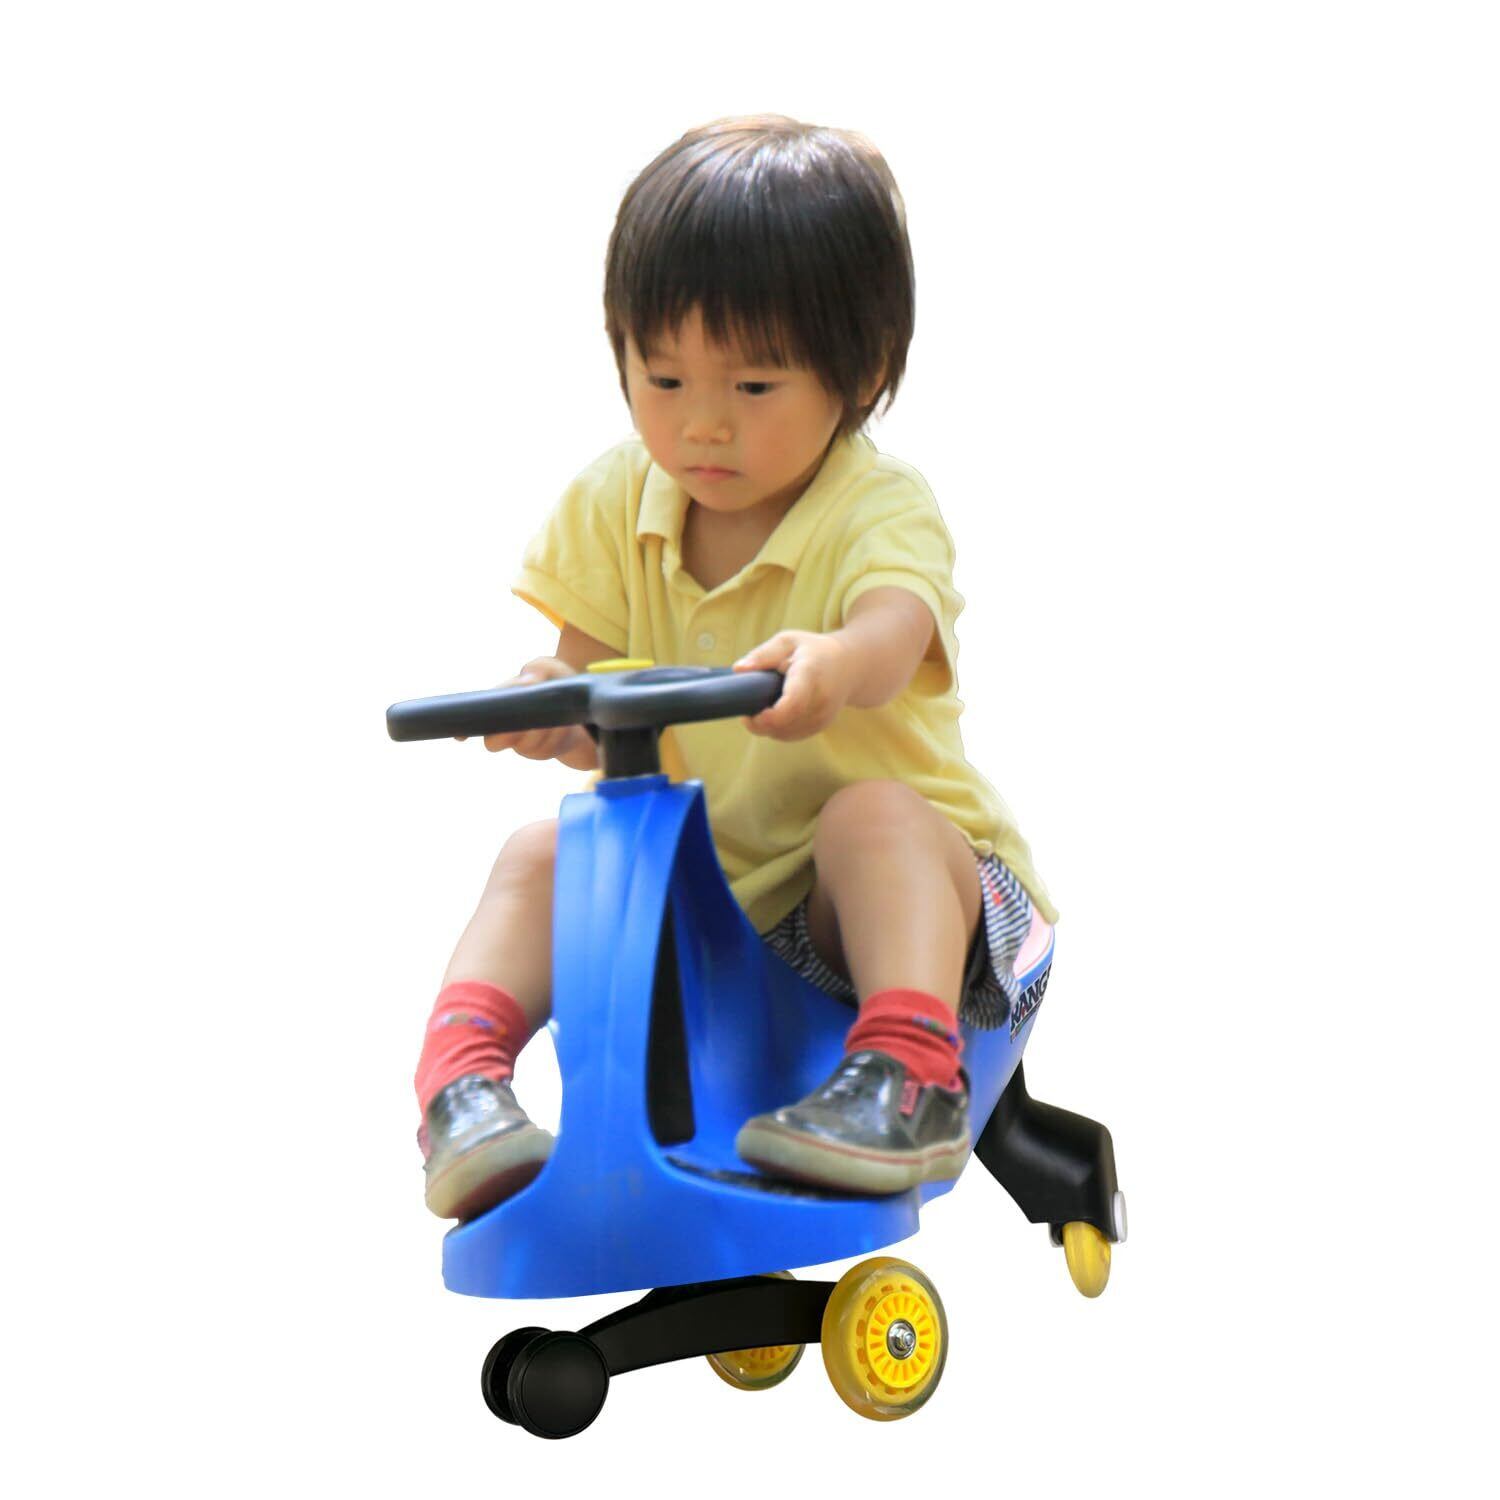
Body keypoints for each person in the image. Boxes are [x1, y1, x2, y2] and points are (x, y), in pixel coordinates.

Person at [413, 114, 1058, 1221]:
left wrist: (836, 661)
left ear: (860, 369)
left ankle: (910, 1075)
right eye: (663, 378)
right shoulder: (613, 501)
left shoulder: (876, 505)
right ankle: (460, 1090)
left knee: (868, 817)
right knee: (547, 852)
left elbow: (895, 628)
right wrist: (548, 708)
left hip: (911, 915)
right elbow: (590, 692)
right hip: (720, 914)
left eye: (753, 388)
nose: (702, 426)